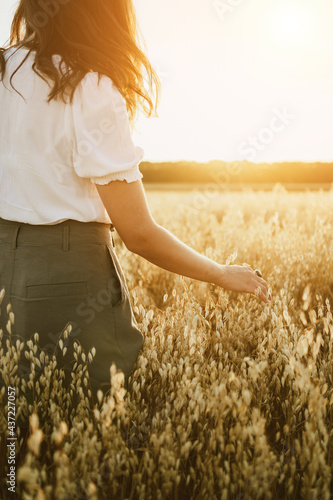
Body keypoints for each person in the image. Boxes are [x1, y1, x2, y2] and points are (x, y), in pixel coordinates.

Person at [0, 0, 271, 406]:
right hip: (68, 273)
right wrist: (220, 273)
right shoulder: (89, 85)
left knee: (15, 412)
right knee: (90, 417)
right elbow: (138, 234)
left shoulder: (4, 68)